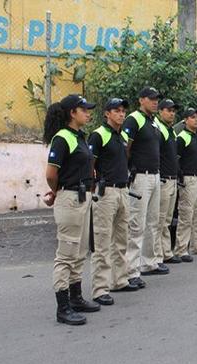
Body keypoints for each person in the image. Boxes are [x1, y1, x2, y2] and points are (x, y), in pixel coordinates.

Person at [43, 94, 100, 325]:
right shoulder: (62, 138)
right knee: (66, 254)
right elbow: (50, 174)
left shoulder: (79, 137)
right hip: (70, 198)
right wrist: (57, 192)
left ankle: (76, 298)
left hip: (83, 196)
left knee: (79, 251)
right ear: (72, 113)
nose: (88, 113)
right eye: (83, 109)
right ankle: (63, 307)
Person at [88, 98, 140, 306]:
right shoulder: (98, 135)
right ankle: (100, 288)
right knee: (102, 242)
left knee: (121, 239)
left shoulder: (122, 136)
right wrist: (94, 188)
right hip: (106, 191)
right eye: (116, 111)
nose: (121, 114)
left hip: (122, 190)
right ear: (107, 114)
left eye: (123, 111)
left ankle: (119, 279)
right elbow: (89, 164)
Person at [123, 87, 170, 287]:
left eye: (156, 99)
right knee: (136, 224)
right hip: (140, 177)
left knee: (153, 222)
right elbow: (125, 147)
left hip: (155, 176)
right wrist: (129, 169)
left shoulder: (153, 121)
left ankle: (149, 263)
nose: (154, 102)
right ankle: (131, 271)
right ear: (141, 100)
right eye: (151, 99)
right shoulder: (133, 119)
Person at [174, 108, 197, 262]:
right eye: (192, 117)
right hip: (188, 179)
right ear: (185, 120)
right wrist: (180, 176)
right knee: (186, 215)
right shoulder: (182, 138)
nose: (196, 119)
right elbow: (176, 159)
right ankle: (181, 249)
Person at [155, 99, 181, 264]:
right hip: (163, 180)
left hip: (172, 179)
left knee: (167, 220)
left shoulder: (170, 130)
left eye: (173, 110)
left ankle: (166, 253)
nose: (172, 113)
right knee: (159, 220)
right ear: (160, 111)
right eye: (168, 110)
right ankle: (158, 256)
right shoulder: (159, 130)